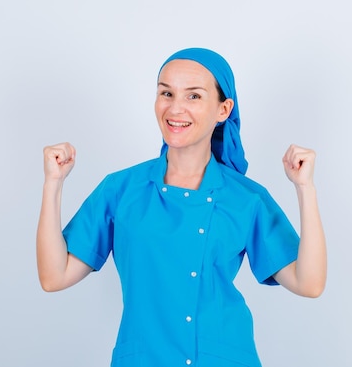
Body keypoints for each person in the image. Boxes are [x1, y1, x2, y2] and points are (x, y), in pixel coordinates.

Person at [36, 48, 327, 367]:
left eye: (193, 96)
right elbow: (55, 276)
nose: (175, 108)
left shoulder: (247, 198)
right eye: (166, 93)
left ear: (223, 109)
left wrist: (305, 188)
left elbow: (308, 283)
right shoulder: (121, 189)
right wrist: (53, 184)